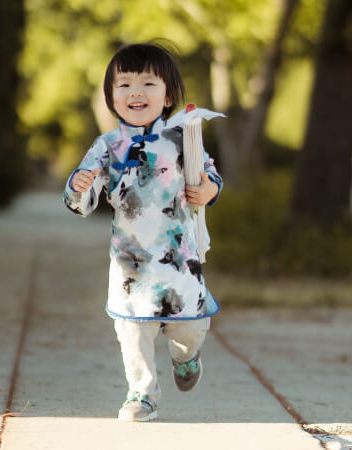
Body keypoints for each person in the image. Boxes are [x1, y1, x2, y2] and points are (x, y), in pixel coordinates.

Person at [63, 42, 224, 422]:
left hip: (178, 257)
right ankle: (142, 392)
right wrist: (80, 185)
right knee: (133, 332)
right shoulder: (108, 146)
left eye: (148, 83)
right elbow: (80, 199)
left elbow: (209, 173)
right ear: (111, 98)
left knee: (192, 327)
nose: (136, 92)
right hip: (130, 261)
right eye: (125, 85)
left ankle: (186, 356)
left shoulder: (180, 137)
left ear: (167, 95)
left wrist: (208, 189)